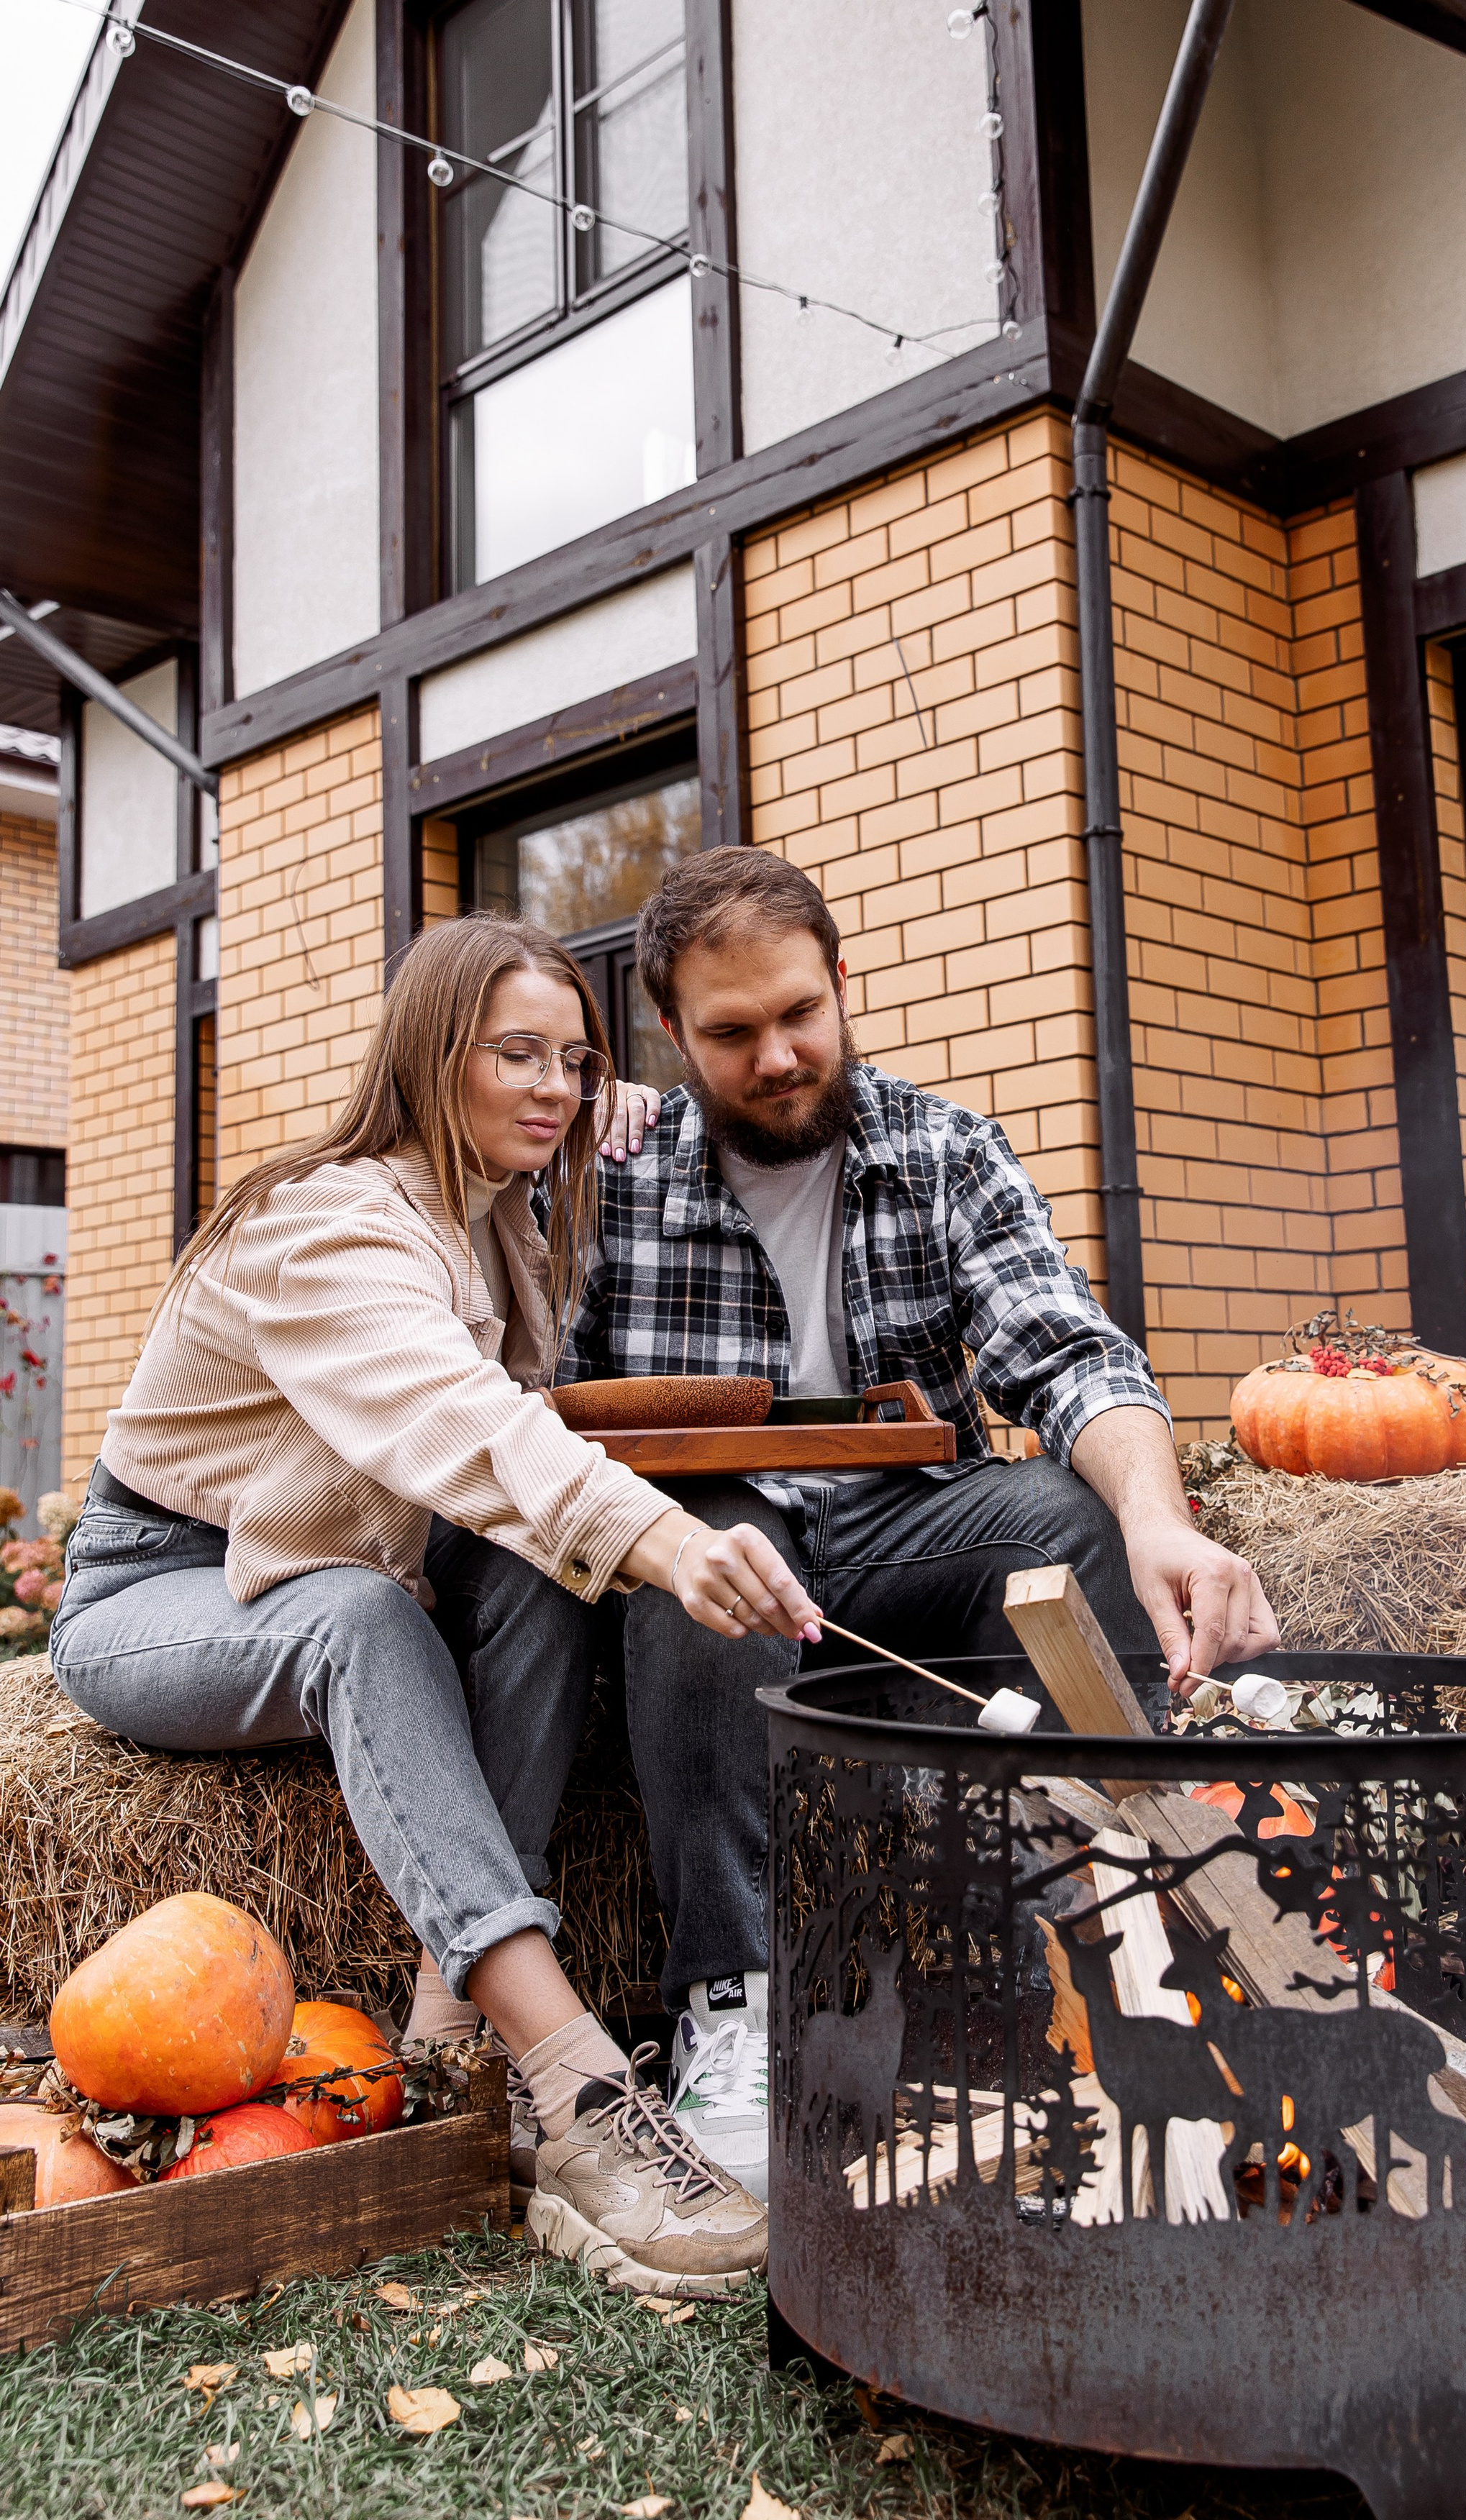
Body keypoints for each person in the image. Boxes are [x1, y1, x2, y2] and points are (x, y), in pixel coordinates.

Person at [49, 912, 824, 2293]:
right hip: (157, 1585)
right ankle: (573, 2076)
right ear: (428, 1057)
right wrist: (661, 1541)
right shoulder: (332, 1222)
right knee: (360, 1620)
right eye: (514, 1055)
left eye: (575, 1063)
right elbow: (460, 1423)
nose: (554, 1088)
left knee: (515, 1566)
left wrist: (625, 1094)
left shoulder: (491, 1214)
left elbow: (592, 1122)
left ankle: (444, 2030)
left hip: (325, 1559)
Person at [566, 846, 1278, 2196]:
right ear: (670, 1033)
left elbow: (1066, 1354)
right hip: (712, 1558)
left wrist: (1158, 1517)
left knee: (1067, 1517)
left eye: (798, 1015)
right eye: (729, 1033)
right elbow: (532, 1407)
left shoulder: (946, 1151)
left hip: (907, 1529)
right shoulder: (614, 1172)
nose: (776, 1057)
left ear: (842, 984)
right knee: (712, 1537)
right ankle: (737, 2002)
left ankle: (1122, 1936)